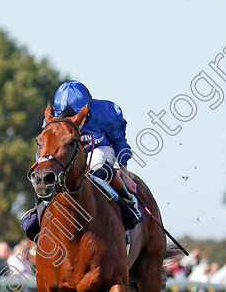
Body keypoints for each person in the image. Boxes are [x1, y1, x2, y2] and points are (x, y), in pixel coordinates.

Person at [22, 80, 143, 240]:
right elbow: (44, 150)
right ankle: (38, 212)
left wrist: (125, 174)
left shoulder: (107, 112)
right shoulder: (52, 120)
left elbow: (119, 142)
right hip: (68, 154)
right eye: (65, 116)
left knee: (98, 162)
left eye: (76, 116)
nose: (72, 120)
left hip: (99, 148)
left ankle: (125, 202)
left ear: (88, 109)